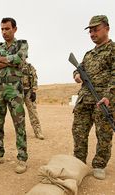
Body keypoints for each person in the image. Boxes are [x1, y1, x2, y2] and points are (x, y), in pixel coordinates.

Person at [72, 15, 114, 180]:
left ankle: (99, 164)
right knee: (78, 132)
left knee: (103, 135)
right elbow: (78, 69)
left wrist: (108, 96)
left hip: (102, 100)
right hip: (84, 100)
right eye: (90, 31)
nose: (92, 34)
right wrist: (76, 75)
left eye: (96, 30)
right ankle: (79, 162)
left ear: (107, 28)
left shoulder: (113, 50)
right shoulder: (89, 54)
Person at [0, 17, 28, 174]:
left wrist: (3, 60)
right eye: (2, 29)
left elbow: (20, 58)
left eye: (7, 29)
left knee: (19, 125)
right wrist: (11, 62)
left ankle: (22, 158)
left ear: (14, 29)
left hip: (15, 91)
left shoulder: (21, 44)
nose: (4, 32)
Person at [22, 62, 44, 140]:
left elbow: (34, 78)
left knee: (33, 113)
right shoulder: (14, 66)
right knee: (19, 114)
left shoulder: (29, 67)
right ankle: (21, 132)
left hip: (28, 92)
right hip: (18, 92)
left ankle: (38, 131)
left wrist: (34, 91)